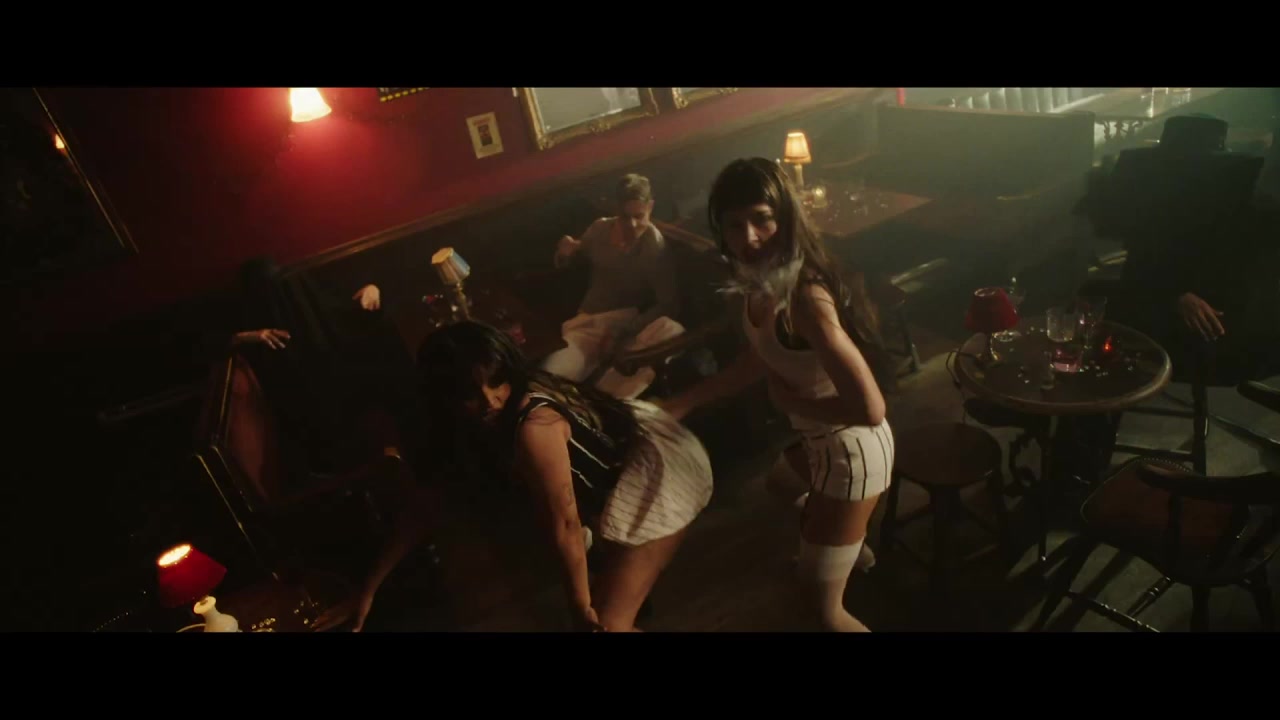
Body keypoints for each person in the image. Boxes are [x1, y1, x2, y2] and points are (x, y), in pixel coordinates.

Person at [320, 320, 713, 632]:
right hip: (614, 472)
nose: (490, 400)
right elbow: (428, 504)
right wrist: (370, 588)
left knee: (607, 626)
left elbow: (565, 525)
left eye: (497, 381)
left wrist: (580, 610)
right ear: (444, 398)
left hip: (655, 472)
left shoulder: (534, 427)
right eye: (470, 393)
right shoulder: (460, 429)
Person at [659, 158, 894, 632]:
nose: (748, 237)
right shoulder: (759, 281)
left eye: (761, 219)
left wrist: (792, 403)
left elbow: (871, 409)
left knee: (821, 612)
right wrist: (682, 403)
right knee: (782, 486)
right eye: (734, 225)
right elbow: (760, 359)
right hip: (818, 441)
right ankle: (849, 551)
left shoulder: (804, 298)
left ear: (785, 217)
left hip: (852, 451)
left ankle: (836, 555)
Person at [542, 173, 684, 399]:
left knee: (608, 391)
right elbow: (575, 255)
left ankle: (602, 400)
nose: (632, 225)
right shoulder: (600, 228)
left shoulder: (655, 248)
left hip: (626, 327)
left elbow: (668, 304)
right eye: (625, 217)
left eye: (639, 216)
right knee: (549, 378)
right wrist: (565, 253)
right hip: (588, 323)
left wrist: (623, 332)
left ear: (650, 207)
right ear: (616, 209)